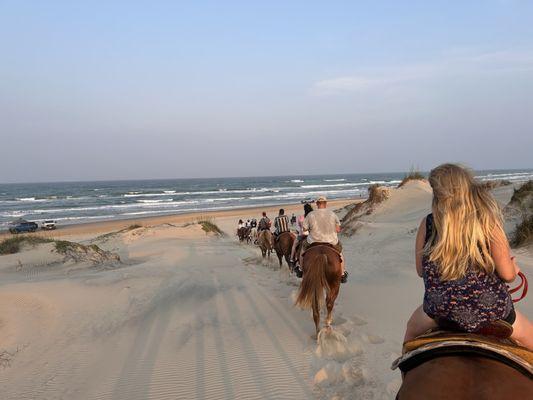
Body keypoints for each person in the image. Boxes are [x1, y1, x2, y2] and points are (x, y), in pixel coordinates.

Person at [403, 163, 533, 350]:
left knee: (411, 333)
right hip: (492, 312)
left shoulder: (428, 223)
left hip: (441, 311)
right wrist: (514, 269)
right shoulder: (488, 222)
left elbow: (420, 271)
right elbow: (507, 275)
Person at [297, 196, 348, 283]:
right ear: (326, 203)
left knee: (302, 250)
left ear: (317, 204)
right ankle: (342, 273)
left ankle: (301, 269)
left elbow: (305, 229)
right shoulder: (332, 214)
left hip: (313, 241)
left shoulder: (310, 214)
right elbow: (338, 229)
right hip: (331, 240)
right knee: (340, 253)